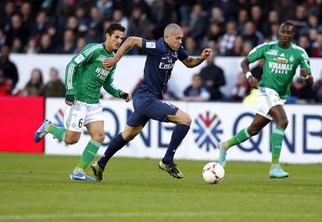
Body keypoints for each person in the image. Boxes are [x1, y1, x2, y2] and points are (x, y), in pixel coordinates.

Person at [90, 23, 213, 181]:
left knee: (128, 134)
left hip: (148, 99)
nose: (180, 41)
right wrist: (116, 58)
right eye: (177, 38)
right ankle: (167, 160)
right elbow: (132, 40)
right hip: (146, 98)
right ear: (167, 37)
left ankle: (100, 164)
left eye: (182, 38)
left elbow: (189, 62)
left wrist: (202, 58)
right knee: (186, 119)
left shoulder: (177, 50)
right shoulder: (158, 47)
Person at [34, 23, 131, 181]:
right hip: (78, 100)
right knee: (72, 139)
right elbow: (72, 65)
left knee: (99, 136)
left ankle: (78, 172)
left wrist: (120, 93)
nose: (119, 41)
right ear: (107, 36)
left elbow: (107, 83)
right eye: (116, 37)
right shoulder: (93, 49)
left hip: (94, 103)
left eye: (122, 38)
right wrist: (70, 91)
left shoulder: (114, 59)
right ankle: (48, 127)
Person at [217, 21, 313, 179]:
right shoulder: (267, 48)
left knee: (253, 130)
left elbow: (310, 83)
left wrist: (306, 76)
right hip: (266, 91)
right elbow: (245, 62)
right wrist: (249, 76)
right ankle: (274, 166)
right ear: (278, 32)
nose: (285, 35)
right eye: (282, 32)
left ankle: (225, 146)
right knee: (282, 121)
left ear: (293, 35)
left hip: (281, 96)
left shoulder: (299, 53)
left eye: (288, 33)